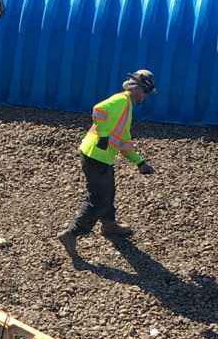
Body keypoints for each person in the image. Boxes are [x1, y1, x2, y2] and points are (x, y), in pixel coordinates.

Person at [57, 70, 156, 252]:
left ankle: (109, 225)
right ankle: (72, 233)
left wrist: (139, 162)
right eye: (146, 93)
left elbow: (124, 142)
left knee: (108, 191)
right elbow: (98, 109)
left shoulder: (127, 107)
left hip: (101, 156)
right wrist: (102, 136)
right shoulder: (121, 101)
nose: (146, 97)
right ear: (138, 89)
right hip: (96, 155)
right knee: (98, 198)